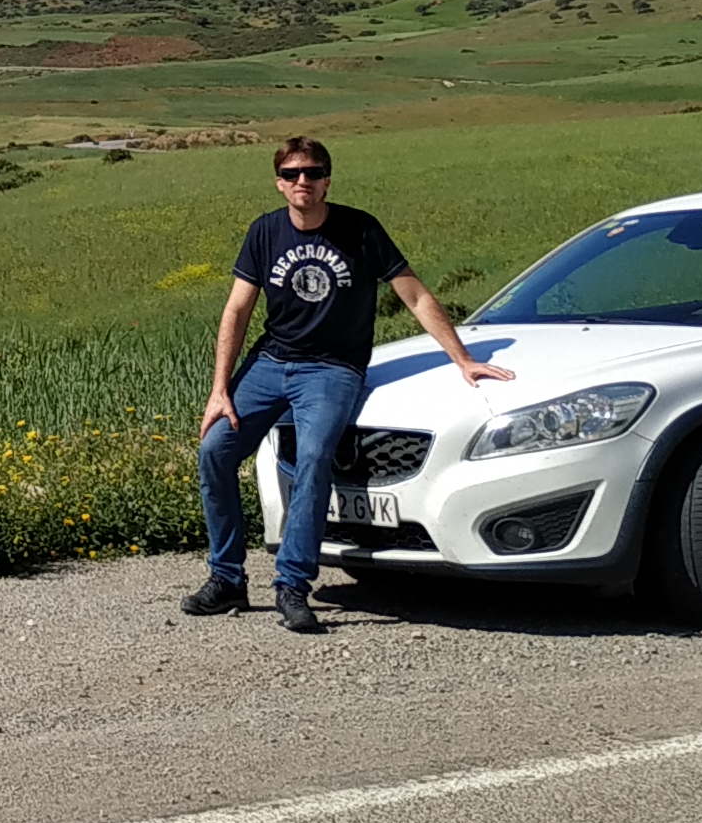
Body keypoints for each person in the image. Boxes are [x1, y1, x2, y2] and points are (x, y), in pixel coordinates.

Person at [187, 136, 510, 632]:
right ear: (279, 183)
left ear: (327, 181)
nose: (303, 181)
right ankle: (227, 578)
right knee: (215, 451)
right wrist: (220, 389)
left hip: (332, 369)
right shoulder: (265, 232)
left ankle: (292, 585)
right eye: (292, 174)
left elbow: (415, 295)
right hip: (270, 362)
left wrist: (463, 359)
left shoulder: (360, 229)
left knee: (314, 457)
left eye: (313, 173)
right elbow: (237, 310)